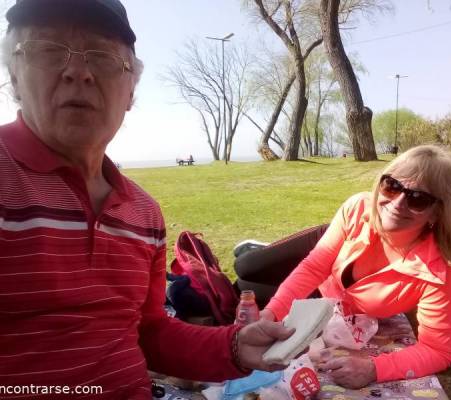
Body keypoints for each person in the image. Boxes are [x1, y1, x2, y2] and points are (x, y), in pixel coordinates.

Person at [0, 1, 292, 399]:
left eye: (102, 58)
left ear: (131, 92)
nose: (78, 72)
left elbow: (148, 332)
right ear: (14, 77)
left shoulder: (143, 213)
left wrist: (236, 346)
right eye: (48, 50)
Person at [236, 145, 451, 389]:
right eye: (392, 186)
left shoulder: (439, 270)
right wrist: (271, 313)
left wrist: (373, 368)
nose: (397, 203)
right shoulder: (358, 206)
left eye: (418, 199)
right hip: (335, 243)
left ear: (437, 213)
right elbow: (315, 267)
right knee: (245, 266)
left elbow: (439, 351)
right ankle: (258, 250)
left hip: (330, 299)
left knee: (243, 288)